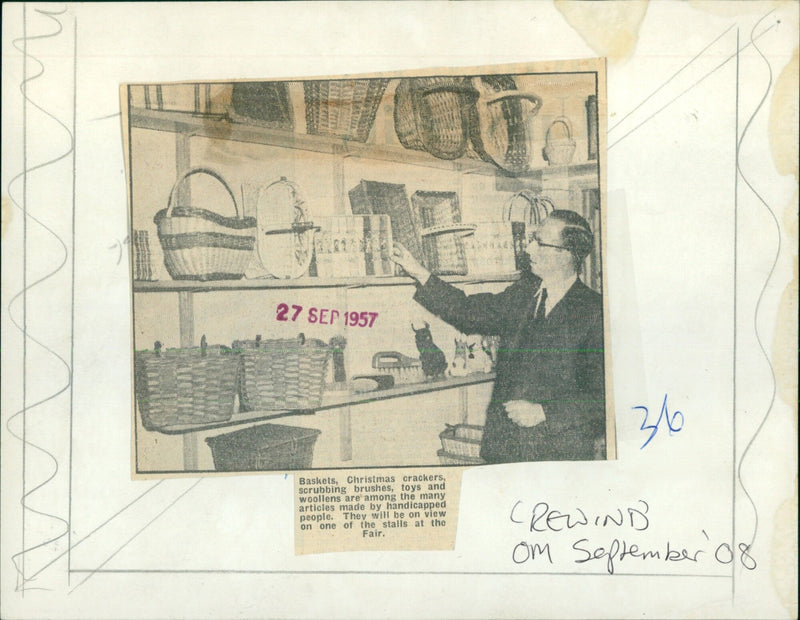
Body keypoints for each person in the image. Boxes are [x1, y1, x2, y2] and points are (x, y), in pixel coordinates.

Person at [392, 210, 605, 463]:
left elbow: (602, 397)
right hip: (504, 449)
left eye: (539, 242)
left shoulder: (594, 311)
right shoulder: (525, 292)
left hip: (557, 455)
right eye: (531, 239)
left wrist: (544, 412)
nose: (528, 249)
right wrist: (419, 272)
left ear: (565, 255)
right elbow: (469, 311)